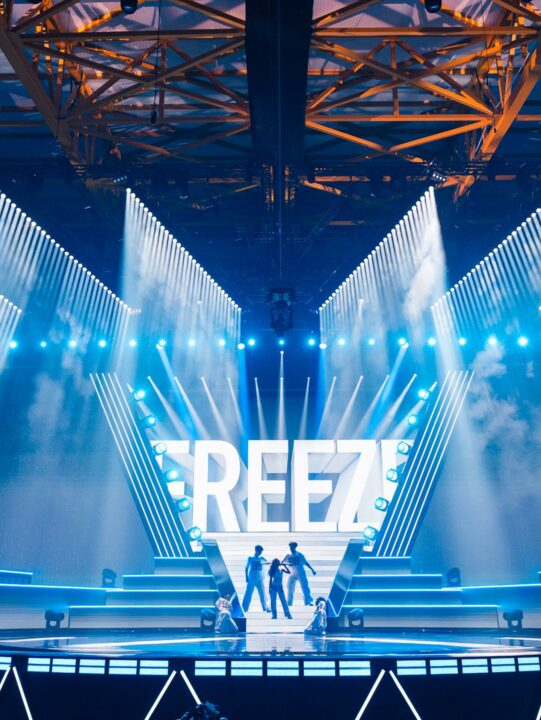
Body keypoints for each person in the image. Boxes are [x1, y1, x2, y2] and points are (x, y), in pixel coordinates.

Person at [282, 541, 316, 606]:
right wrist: (285, 567)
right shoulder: (287, 555)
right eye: (290, 547)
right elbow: (282, 562)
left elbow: (305, 563)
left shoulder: (299, 554)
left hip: (300, 572)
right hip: (292, 573)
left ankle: (308, 601)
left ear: (295, 547)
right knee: (289, 587)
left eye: (292, 547)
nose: (291, 548)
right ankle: (289, 602)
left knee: (304, 587)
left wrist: (312, 570)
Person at [242, 544, 269, 612]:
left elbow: (268, 563)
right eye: (260, 551)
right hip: (252, 578)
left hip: (260, 578)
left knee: (262, 593)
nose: (260, 553)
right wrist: (246, 577)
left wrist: (264, 562)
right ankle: (244, 608)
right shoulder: (250, 558)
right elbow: (246, 567)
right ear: (256, 550)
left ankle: (265, 607)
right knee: (248, 593)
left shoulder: (261, 558)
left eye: (261, 552)